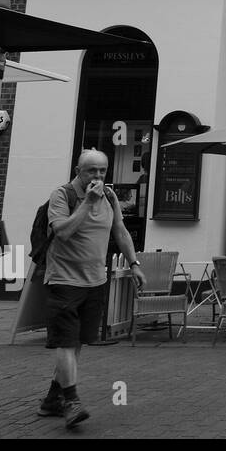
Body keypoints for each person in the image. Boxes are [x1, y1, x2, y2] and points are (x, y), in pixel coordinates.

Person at [39, 149, 145, 428]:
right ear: (78, 170)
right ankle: (71, 401)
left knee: (76, 343)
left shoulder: (110, 197)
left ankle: (53, 398)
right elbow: (62, 231)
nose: (97, 176)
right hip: (64, 280)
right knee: (65, 341)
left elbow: (120, 231)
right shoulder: (62, 195)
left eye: (102, 171)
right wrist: (87, 202)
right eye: (91, 171)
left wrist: (134, 263)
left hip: (96, 280)